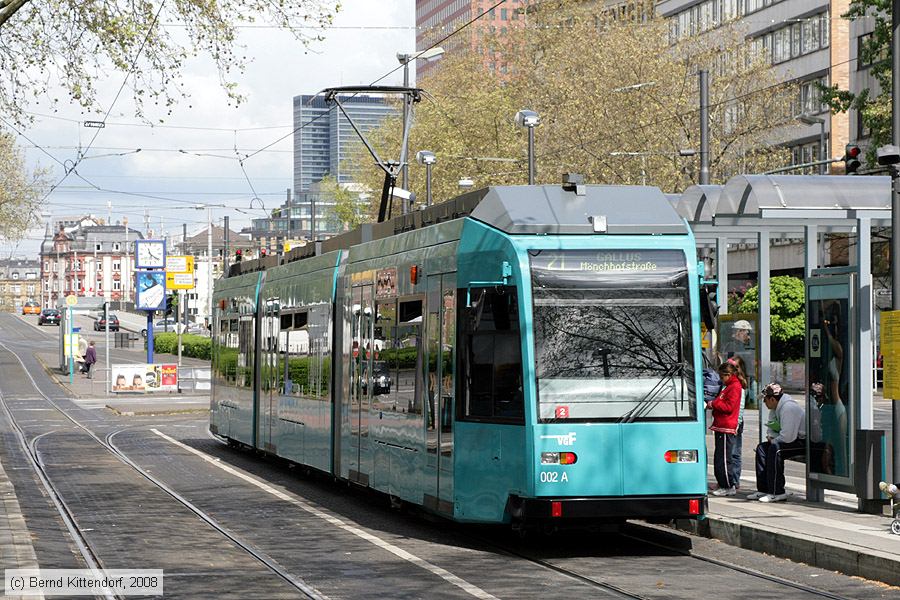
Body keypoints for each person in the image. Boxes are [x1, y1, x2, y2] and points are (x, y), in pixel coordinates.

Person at [749, 383, 806, 502]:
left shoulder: (788, 408)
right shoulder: (775, 408)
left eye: (765, 400)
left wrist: (774, 440)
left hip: (803, 442)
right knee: (761, 448)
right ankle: (763, 489)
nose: (764, 403)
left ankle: (777, 491)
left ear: (772, 399)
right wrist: (772, 437)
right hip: (789, 440)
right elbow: (770, 429)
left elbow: (788, 437)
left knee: (775, 449)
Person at [708, 361, 745, 496]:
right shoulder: (729, 386)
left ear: (729, 375)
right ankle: (723, 484)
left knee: (724, 458)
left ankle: (728, 485)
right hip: (721, 425)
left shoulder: (734, 387)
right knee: (719, 457)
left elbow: (729, 407)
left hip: (726, 426)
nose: (721, 380)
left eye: (722, 377)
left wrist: (713, 404)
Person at [728, 355, 749, 489]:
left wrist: (736, 423)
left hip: (735, 421)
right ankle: (733, 480)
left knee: (734, 452)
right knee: (732, 452)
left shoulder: (739, 384)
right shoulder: (735, 383)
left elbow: (739, 406)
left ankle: (734, 481)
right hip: (735, 421)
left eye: (735, 367)